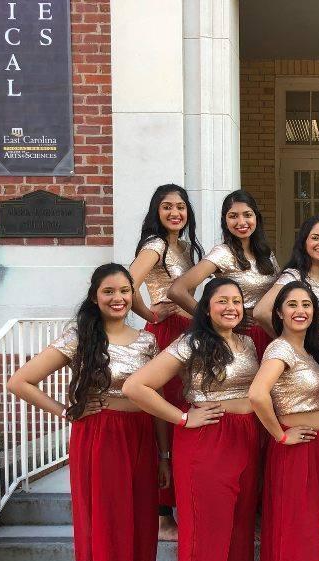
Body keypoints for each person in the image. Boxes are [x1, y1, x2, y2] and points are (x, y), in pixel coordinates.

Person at [7, 263, 167, 561]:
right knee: (107, 526)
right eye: (109, 291)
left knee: (140, 526)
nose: (118, 298)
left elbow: (157, 399)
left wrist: (165, 454)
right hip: (101, 436)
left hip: (142, 436)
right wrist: (66, 411)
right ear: (95, 296)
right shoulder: (80, 337)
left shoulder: (148, 341)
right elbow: (20, 381)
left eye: (125, 291)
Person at [123, 278, 260, 561]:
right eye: (221, 301)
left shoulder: (247, 343)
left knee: (237, 533)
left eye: (236, 301)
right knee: (206, 535)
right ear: (206, 307)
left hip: (246, 439)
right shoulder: (191, 342)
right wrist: (183, 418)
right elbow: (137, 387)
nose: (231, 307)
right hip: (207, 441)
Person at [249, 282, 319, 561]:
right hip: (294, 450)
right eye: (292, 304)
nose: (300, 310)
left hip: (317, 447)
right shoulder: (279, 348)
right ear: (279, 313)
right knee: (290, 534)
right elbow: (257, 394)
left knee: (309, 535)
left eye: (307, 304)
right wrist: (280, 436)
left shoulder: (309, 350)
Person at [254, 217, 319, 531]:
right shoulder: (294, 275)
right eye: (315, 237)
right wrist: (293, 346)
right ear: (303, 242)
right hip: (308, 354)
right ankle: (305, 513)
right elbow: (261, 311)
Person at [128, 184, 205, 542]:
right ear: (156, 212)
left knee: (182, 408)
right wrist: (149, 313)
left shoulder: (185, 248)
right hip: (166, 331)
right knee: (164, 411)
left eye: (181, 207)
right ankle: (162, 515)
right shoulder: (155, 245)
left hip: (188, 330)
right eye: (167, 207)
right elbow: (127, 283)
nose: (175, 213)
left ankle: (179, 501)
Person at [168, 190, 280, 359]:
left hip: (270, 332)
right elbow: (177, 290)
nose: (241, 222)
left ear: (256, 217)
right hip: (241, 335)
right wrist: (210, 318)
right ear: (225, 221)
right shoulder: (222, 253)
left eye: (247, 215)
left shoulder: (266, 254)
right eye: (233, 216)